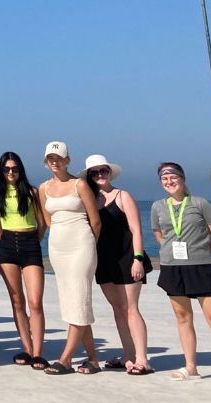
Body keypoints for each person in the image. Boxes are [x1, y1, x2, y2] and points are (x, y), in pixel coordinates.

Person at [151, 162, 211, 389]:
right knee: (182, 317)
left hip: (200, 266)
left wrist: (201, 253)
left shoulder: (200, 203)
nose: (169, 181)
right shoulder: (158, 206)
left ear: (182, 178)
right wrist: (170, 251)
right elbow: (159, 234)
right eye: (164, 178)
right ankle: (191, 367)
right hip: (172, 267)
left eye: (173, 177)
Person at [82, 153, 150, 374]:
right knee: (118, 309)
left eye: (103, 170)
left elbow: (136, 230)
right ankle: (128, 355)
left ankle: (143, 359)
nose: (100, 175)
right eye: (95, 172)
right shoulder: (89, 200)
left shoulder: (123, 196)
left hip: (127, 258)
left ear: (110, 172)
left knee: (131, 308)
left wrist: (138, 259)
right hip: (104, 260)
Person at [37, 141, 101, 375]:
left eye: (59, 158)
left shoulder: (79, 184)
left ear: (67, 160)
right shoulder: (43, 188)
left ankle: (66, 359)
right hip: (58, 249)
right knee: (73, 302)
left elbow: (95, 221)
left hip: (81, 246)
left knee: (79, 299)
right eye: (50, 158)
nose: (54, 162)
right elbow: (48, 220)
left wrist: (88, 245)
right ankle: (93, 359)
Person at [0, 151, 48, 370]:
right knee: (17, 301)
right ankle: (27, 348)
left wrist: (32, 241)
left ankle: (38, 353)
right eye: (6, 169)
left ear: (20, 169)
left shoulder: (32, 192)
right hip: (7, 245)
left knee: (35, 302)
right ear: (1, 171)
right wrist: (6, 240)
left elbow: (42, 223)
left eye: (14, 168)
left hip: (30, 244)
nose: (11, 172)